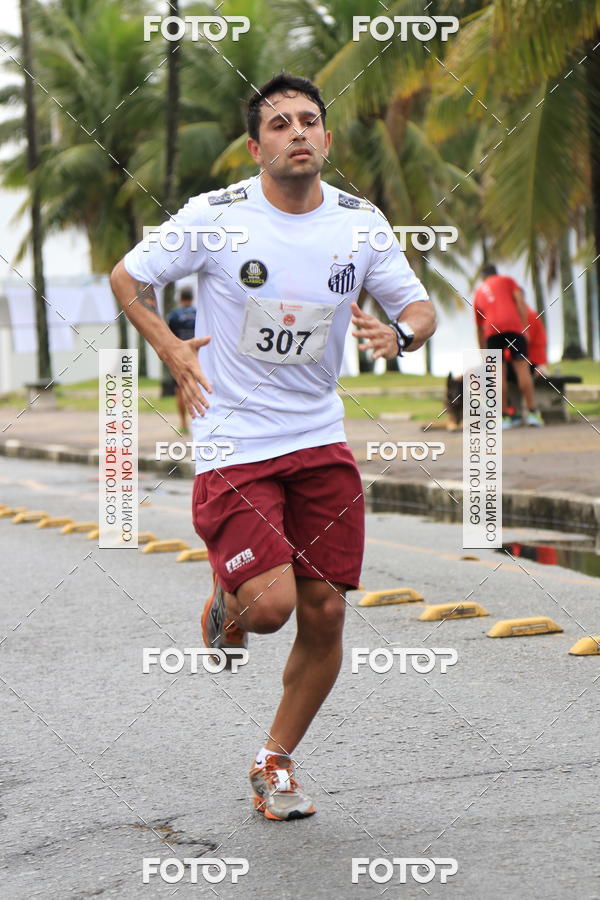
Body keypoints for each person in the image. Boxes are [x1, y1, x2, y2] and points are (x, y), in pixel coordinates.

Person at [110, 72, 436, 821]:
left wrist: (403, 333)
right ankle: (226, 604)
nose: (298, 131)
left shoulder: (360, 223)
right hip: (235, 439)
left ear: (326, 138)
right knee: (271, 609)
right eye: (281, 123)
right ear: (257, 147)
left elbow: (416, 304)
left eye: (309, 120)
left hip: (320, 438)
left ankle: (274, 761)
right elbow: (129, 276)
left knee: (324, 615)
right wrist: (172, 351)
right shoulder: (217, 217)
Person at [474, 264, 544, 428]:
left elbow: (478, 327)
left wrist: (482, 352)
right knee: (522, 369)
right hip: (513, 327)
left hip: (491, 331)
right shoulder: (508, 280)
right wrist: (524, 327)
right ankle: (533, 413)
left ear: (483, 278)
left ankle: (504, 417)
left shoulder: (478, 292)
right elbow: (520, 302)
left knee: (497, 374)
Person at [167, 286, 197, 432]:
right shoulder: (199, 313)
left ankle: (183, 423)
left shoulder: (174, 315)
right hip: (198, 355)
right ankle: (198, 421)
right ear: (192, 298)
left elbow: (169, 336)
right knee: (200, 389)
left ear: (180, 298)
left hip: (179, 357)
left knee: (180, 391)